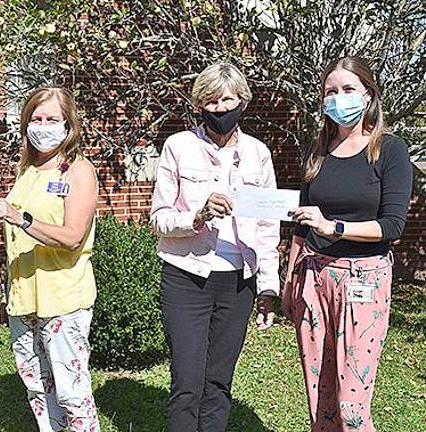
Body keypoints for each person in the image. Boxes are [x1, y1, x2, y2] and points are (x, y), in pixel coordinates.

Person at [282, 56, 412, 432]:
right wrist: (291, 280)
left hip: (364, 282)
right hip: (313, 278)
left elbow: (392, 225)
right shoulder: (318, 152)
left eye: (348, 89)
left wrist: (335, 226)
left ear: (369, 94)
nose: (339, 98)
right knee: (320, 400)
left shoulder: (389, 151)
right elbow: (302, 226)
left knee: (352, 406)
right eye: (331, 92)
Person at [149, 62, 280, 432]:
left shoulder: (259, 154)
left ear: (242, 101)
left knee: (219, 382)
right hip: (186, 276)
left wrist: (268, 287)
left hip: (238, 282)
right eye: (211, 101)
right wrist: (198, 215)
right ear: (198, 105)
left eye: (227, 99)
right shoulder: (178, 147)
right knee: (187, 382)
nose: (220, 109)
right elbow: (158, 217)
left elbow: (268, 227)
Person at [0, 87, 100, 432]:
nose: (43, 125)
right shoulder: (28, 170)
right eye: (36, 119)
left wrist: (20, 217)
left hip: (63, 297)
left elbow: (72, 237)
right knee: (37, 386)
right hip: (25, 298)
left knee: (71, 391)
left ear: (69, 124)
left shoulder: (78, 171)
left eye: (52, 119)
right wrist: (8, 292)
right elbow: (15, 241)